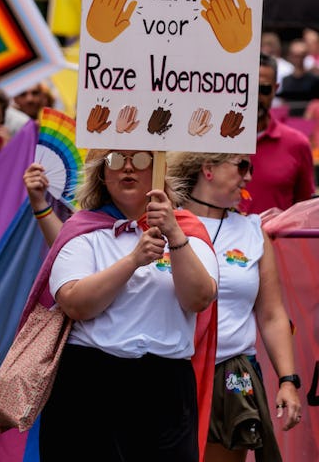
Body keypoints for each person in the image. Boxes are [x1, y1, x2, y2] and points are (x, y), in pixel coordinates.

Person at [35, 150, 218, 461]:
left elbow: (199, 298)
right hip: (90, 382)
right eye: (116, 160)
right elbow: (75, 303)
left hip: (165, 387)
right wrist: (133, 260)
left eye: (142, 159)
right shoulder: (84, 230)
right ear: (102, 174)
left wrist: (174, 234)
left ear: (159, 168)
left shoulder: (187, 230)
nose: (128, 167)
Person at [168, 151, 302, 461]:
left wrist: (288, 381)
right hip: (169, 369)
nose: (249, 176)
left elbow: (271, 315)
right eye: (242, 166)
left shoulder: (253, 232)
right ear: (208, 168)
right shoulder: (162, 222)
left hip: (230, 372)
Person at [246, 54, 314, 213]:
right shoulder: (216, 142)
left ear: (275, 89)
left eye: (263, 89)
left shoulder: (297, 144)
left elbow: (305, 209)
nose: (256, 97)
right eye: (248, 88)